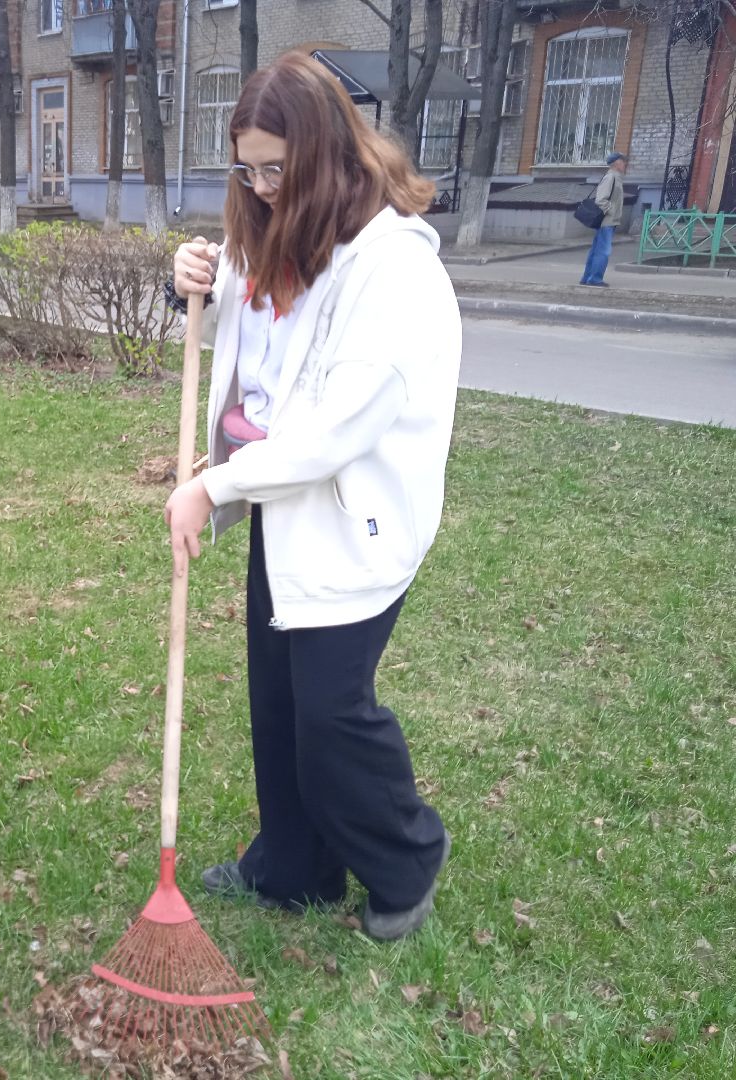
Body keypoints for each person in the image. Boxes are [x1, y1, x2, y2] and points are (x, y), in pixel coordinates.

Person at [163, 54, 459, 941]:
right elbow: (258, 336)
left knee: (332, 712)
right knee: (278, 702)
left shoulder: (393, 270)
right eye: (245, 169)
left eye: (274, 169)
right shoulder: (293, 230)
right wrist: (200, 287)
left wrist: (211, 484)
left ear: (326, 153)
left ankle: (406, 861)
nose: (257, 188)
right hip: (287, 514)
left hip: (357, 524)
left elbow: (334, 428)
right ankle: (292, 867)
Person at [580, 152, 627, 288]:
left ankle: (587, 278)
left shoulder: (616, 177)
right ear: (617, 163)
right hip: (607, 221)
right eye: (623, 162)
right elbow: (601, 199)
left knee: (596, 250)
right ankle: (595, 279)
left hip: (608, 221)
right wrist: (611, 212)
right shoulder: (611, 177)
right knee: (603, 251)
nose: (625, 164)